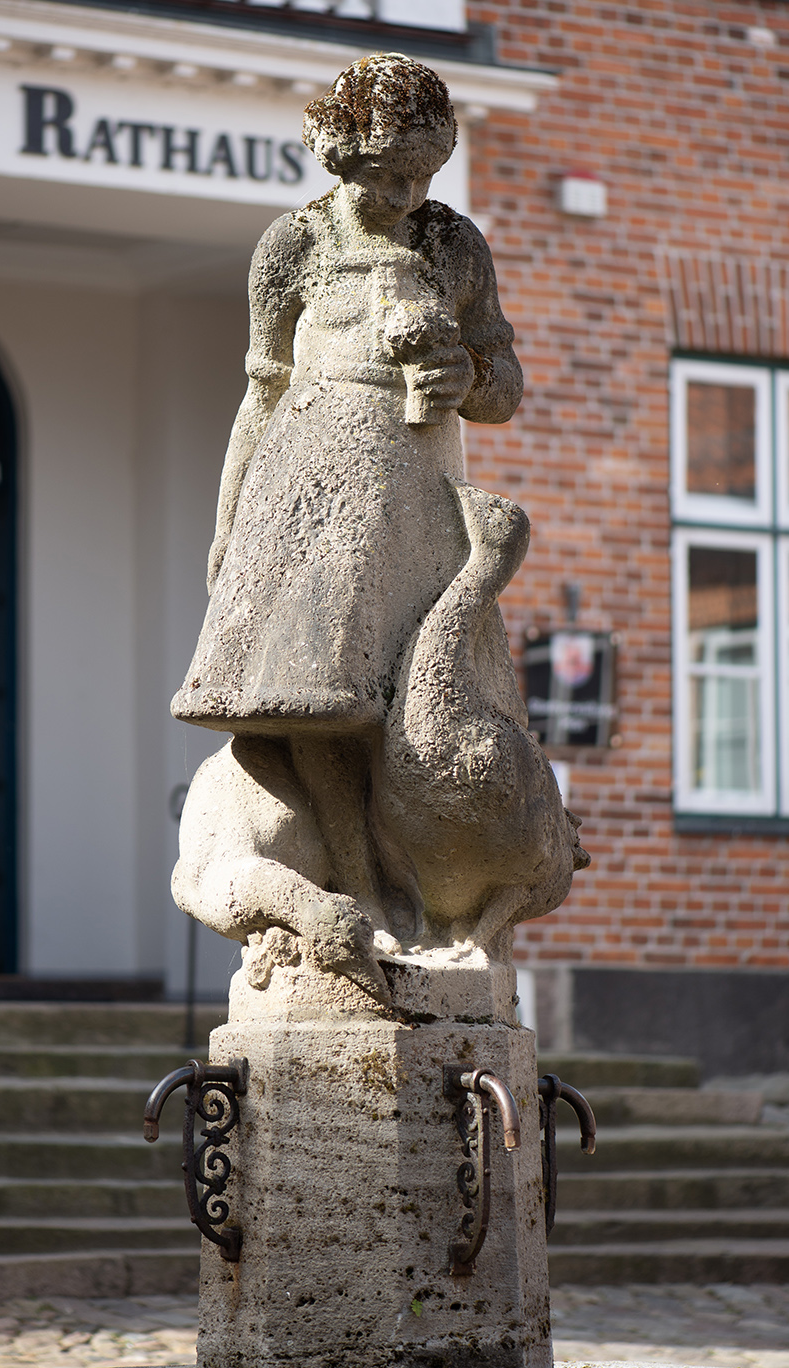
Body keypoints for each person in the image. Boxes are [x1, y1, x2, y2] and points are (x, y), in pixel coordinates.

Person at [171, 52, 528, 975]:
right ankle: (358, 883)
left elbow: (504, 383)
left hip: (416, 485)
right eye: (385, 172)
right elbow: (263, 388)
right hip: (311, 482)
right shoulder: (294, 246)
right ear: (338, 153)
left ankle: (423, 882)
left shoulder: (454, 245)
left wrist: (469, 377)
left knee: (420, 692)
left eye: (423, 171)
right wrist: (229, 516)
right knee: (318, 699)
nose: (407, 192)